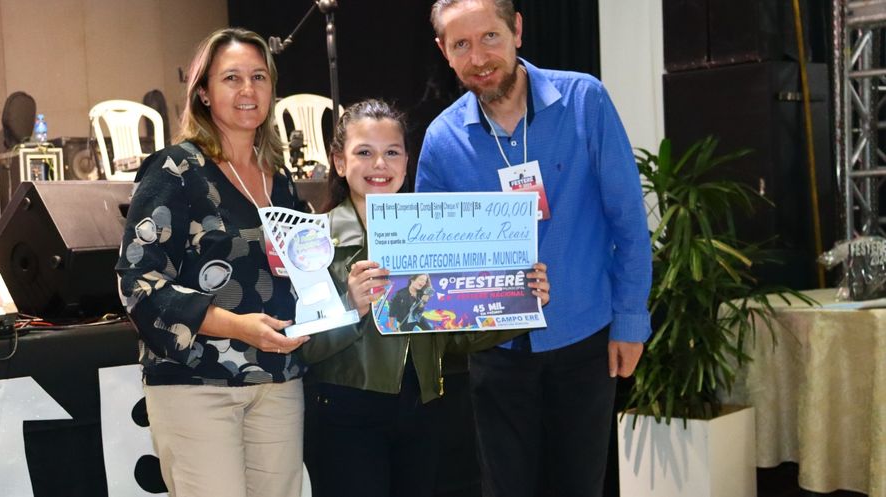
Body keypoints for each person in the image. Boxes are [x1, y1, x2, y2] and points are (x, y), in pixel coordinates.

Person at [417, 1, 653, 496]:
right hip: (495, 352)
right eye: (461, 44)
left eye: (490, 37)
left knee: (579, 485)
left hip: (585, 339)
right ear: (443, 51)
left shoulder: (585, 101)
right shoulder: (441, 141)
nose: (479, 57)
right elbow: (432, 262)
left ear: (517, 30)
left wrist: (631, 322)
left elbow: (629, 221)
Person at [298, 99, 550, 497]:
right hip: (344, 413)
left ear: (406, 162)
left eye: (391, 152)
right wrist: (350, 306)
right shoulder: (311, 240)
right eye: (364, 152)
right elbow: (302, 348)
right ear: (340, 162)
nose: (379, 164)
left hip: (423, 409)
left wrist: (520, 303)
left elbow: (455, 336)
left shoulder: (433, 232)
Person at [115, 27, 310, 497]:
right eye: (231, 78)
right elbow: (139, 281)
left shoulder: (281, 181)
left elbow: (301, 273)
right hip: (196, 383)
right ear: (203, 92)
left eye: (259, 77)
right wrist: (238, 327)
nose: (248, 90)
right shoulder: (175, 170)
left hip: (278, 379)